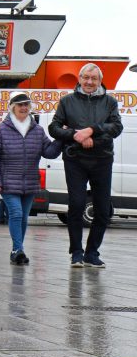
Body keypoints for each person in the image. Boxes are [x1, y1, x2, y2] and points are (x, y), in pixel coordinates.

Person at [49, 64, 124, 268]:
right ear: (79, 79)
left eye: (94, 78)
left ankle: (92, 253)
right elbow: (54, 128)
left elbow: (116, 127)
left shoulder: (109, 102)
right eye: (86, 78)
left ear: (100, 80)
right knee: (77, 204)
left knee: (101, 209)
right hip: (75, 159)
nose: (89, 82)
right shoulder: (67, 101)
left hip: (102, 159)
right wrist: (76, 135)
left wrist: (92, 131)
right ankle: (76, 253)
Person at [0, 92, 63, 265]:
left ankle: (17, 249)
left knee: (24, 217)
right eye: (20, 105)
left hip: (29, 182)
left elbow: (49, 152)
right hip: (8, 182)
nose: (23, 107)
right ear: (12, 107)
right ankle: (17, 250)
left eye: (26, 105)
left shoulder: (37, 130)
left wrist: (61, 138)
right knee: (16, 213)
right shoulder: (1, 129)